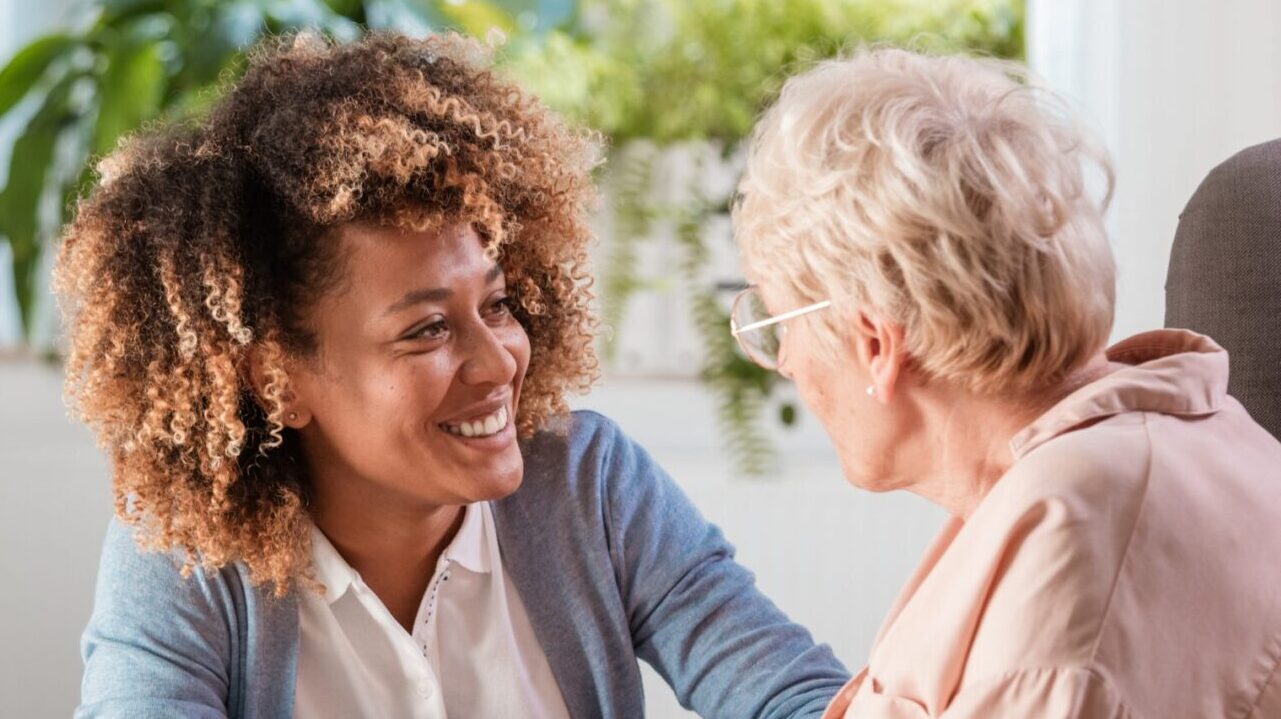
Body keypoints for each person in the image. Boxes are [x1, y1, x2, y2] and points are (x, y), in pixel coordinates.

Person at [59, 31, 848, 718]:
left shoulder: (590, 489)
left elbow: (792, 696)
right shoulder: (185, 556)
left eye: (497, 304)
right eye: (427, 328)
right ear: (276, 380)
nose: (500, 358)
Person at [730, 47, 1281, 718]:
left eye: (776, 319)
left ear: (874, 341)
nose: (782, 359)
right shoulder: (1190, 434)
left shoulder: (1067, 555)